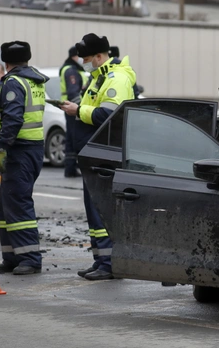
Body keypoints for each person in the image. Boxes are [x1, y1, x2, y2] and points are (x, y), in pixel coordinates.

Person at [60, 33, 137, 281]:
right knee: (93, 209)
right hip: (93, 152)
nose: (84, 62)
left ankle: (110, 263)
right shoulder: (98, 77)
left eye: (87, 58)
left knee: (102, 209)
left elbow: (109, 115)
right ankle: (101, 260)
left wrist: (77, 110)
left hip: (106, 153)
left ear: (100, 56)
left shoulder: (116, 78)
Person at [0, 41, 49, 276]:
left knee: (18, 205)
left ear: (6, 63)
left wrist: (3, 147)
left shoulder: (13, 82)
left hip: (19, 151)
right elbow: (11, 117)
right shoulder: (33, 81)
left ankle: (29, 258)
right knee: (7, 207)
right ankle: (12, 257)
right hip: (29, 149)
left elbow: (14, 119)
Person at [59, 46, 87, 178]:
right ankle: (71, 168)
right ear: (74, 57)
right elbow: (73, 91)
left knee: (71, 137)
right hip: (72, 108)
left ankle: (70, 168)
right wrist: (79, 108)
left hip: (69, 107)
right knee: (75, 137)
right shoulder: (71, 70)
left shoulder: (71, 68)